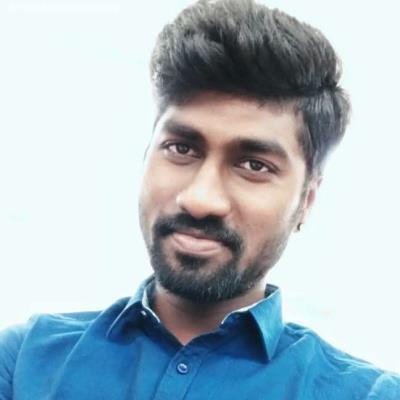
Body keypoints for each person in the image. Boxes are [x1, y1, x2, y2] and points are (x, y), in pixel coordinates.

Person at [1, 0, 399, 399]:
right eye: (181, 148)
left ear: (306, 201)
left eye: (254, 165)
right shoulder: (24, 361)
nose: (200, 200)